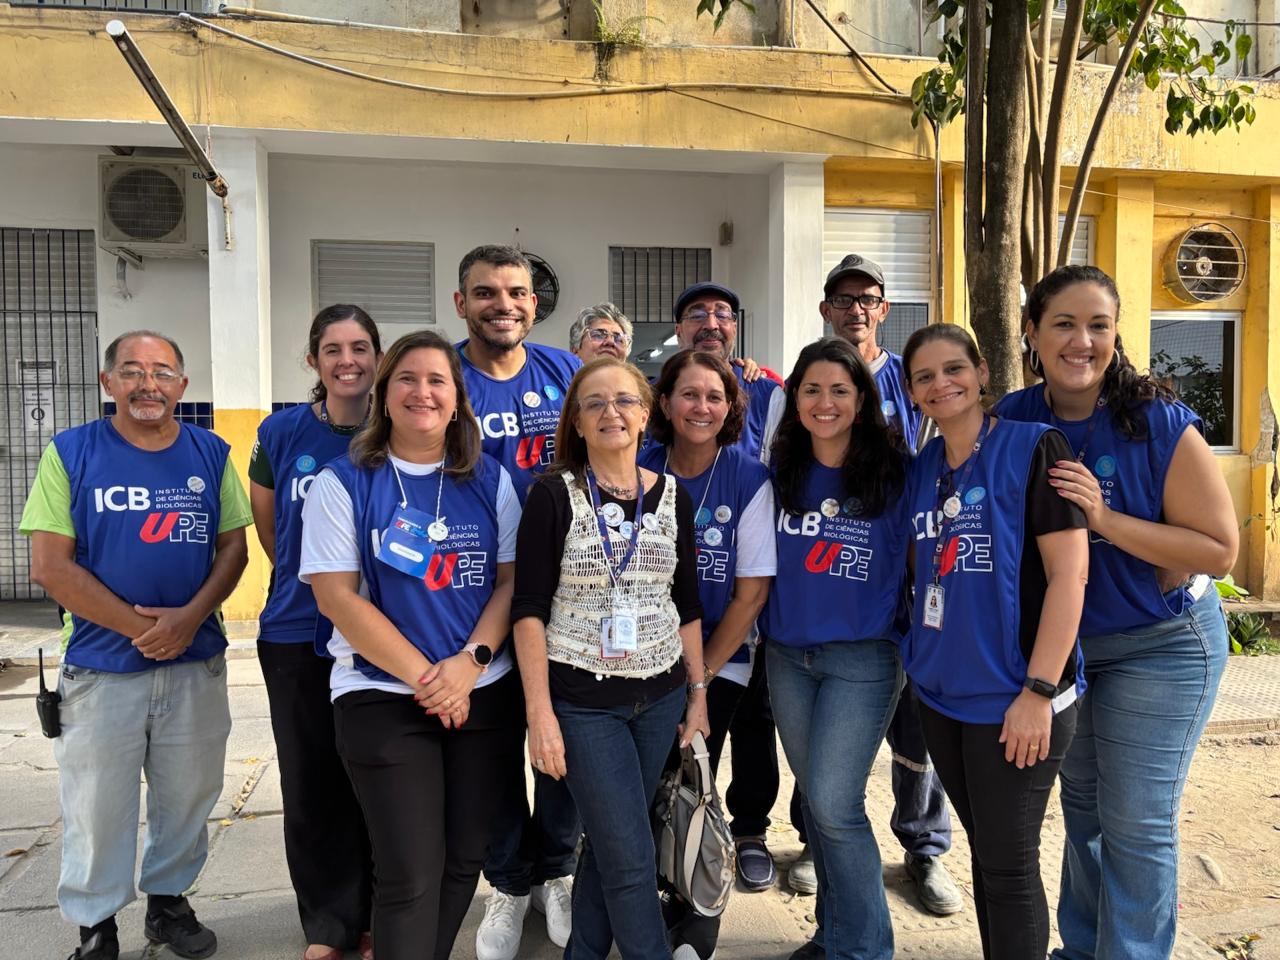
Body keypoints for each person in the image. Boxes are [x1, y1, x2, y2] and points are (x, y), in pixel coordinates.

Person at [996, 265, 1238, 960]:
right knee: (1083, 811)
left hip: (1161, 643)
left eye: (1098, 325)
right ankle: (1082, 949)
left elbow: (1220, 551)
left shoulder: (1156, 422)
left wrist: (1102, 518)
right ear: (1032, 332)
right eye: (1064, 324)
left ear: (1115, 334)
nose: (1082, 341)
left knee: (1135, 822)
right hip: (1069, 650)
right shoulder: (1012, 419)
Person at [22, 331, 252, 960]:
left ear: (182, 385)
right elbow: (50, 565)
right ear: (107, 383)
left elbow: (234, 547)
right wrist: (143, 629)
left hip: (195, 663)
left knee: (189, 796)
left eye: (162, 372)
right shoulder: (70, 453)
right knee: (97, 806)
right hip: (102, 668)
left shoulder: (210, 452)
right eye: (131, 371)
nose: (148, 384)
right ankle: (96, 924)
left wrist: (189, 620)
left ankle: (168, 903)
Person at [300, 330, 524, 960]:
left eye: (436, 381)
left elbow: (511, 584)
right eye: (407, 378)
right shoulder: (343, 482)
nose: (421, 392)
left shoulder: (491, 480)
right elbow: (337, 598)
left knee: (463, 860)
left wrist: (470, 664)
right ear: (383, 392)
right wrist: (433, 679)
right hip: (382, 696)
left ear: (457, 400)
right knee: (410, 873)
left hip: (481, 692)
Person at [901, 323, 1090, 960]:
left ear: (983, 373)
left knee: (1009, 866)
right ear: (913, 392)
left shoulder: (1036, 447)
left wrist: (1039, 690)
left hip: (1016, 699)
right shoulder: (923, 467)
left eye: (954, 368)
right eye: (924, 376)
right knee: (987, 855)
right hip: (941, 696)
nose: (941, 384)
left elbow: (1070, 575)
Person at [511, 356, 708, 960]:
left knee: (611, 842)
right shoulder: (553, 496)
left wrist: (698, 697)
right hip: (583, 702)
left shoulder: (672, 496)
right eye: (594, 402)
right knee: (630, 856)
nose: (610, 412)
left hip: (661, 697)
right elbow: (528, 611)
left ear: (646, 414)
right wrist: (540, 715)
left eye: (624, 400)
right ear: (576, 420)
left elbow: (687, 604)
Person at [789, 254, 959, 922]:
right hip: (825, 601)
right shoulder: (807, 383)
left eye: (868, 298)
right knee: (821, 755)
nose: (855, 308)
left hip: (901, 590)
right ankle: (816, 845)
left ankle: (924, 848)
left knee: (916, 738)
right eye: (843, 298)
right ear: (826, 308)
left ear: (884, 309)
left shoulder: (910, 379)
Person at [759, 337, 910, 960]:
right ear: (794, 399)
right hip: (788, 657)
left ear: (862, 400)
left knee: (834, 803)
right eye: (812, 390)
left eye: (840, 390)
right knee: (820, 803)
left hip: (863, 658)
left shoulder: (897, 474)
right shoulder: (780, 473)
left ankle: (866, 948)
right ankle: (833, 935)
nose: (825, 402)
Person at [454, 244, 583, 960]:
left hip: (565, 594)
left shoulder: (565, 374)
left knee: (559, 743)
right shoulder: (443, 377)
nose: (502, 305)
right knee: (493, 751)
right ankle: (507, 882)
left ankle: (557, 870)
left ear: (535, 304)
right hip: (474, 593)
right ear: (461, 304)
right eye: (485, 293)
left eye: (515, 293)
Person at [248, 305, 381, 960]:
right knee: (309, 782)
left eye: (360, 348)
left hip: (381, 637)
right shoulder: (280, 432)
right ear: (313, 360)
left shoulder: (399, 429)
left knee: (378, 779)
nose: (347, 360)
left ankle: (381, 912)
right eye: (333, 349)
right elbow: (272, 531)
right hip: (296, 632)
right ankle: (328, 923)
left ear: (378, 357)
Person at [638, 350, 776, 960]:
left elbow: (751, 595)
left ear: (730, 407)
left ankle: (697, 914)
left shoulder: (749, 477)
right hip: (637, 661)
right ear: (664, 404)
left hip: (718, 662)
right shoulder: (637, 464)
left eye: (714, 396)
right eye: (688, 395)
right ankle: (644, 904)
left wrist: (699, 679)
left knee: (691, 787)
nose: (701, 407)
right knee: (642, 792)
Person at [672, 280, 785, 891]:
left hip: (741, 612)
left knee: (751, 724)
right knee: (678, 755)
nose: (711, 322)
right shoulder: (645, 448)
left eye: (723, 313)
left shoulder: (769, 387)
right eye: (698, 313)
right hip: (658, 639)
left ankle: (748, 831)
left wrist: (704, 672)